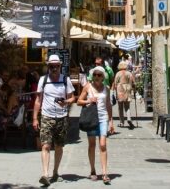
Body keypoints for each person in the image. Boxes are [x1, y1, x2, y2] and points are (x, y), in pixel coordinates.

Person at [33, 53, 77, 187]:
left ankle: (56, 172)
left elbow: (72, 97)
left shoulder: (65, 80)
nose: (54, 68)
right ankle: (45, 174)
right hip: (47, 116)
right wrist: (35, 118)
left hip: (62, 117)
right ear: (48, 67)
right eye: (51, 66)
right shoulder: (43, 80)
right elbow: (38, 100)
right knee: (45, 145)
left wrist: (66, 102)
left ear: (60, 66)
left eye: (56, 66)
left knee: (59, 146)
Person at [79, 66, 115, 184]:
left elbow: (109, 104)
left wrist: (111, 121)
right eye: (95, 75)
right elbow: (79, 101)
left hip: (103, 118)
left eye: (99, 75)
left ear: (103, 77)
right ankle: (93, 170)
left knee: (103, 145)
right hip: (91, 119)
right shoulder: (87, 87)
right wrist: (89, 101)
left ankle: (105, 173)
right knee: (92, 145)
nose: (96, 77)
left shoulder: (107, 88)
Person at [112, 61, 135, 129]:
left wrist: (114, 90)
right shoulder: (129, 73)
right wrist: (133, 89)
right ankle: (129, 118)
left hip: (120, 89)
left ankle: (121, 122)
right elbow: (133, 82)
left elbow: (115, 83)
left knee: (120, 107)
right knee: (127, 106)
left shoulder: (118, 73)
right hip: (127, 88)